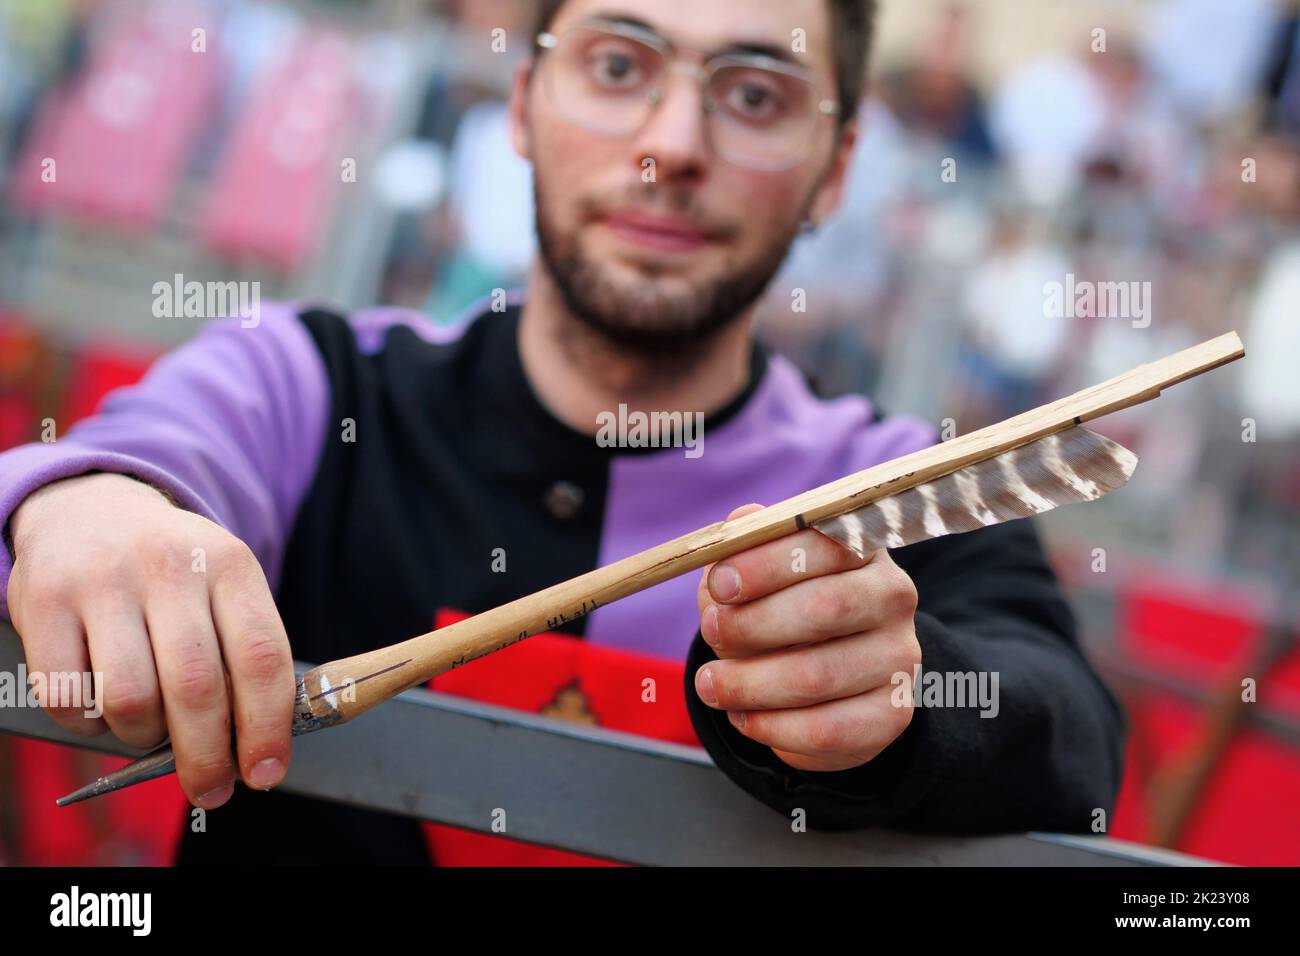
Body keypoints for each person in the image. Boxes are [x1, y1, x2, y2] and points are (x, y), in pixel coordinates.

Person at [0, 0, 1124, 865]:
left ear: (834, 168)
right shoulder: (308, 379)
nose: (670, 145)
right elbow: (130, 461)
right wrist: (85, 503)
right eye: (620, 66)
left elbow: (1067, 737)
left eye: (755, 94)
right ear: (524, 107)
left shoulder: (885, 480)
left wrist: (903, 700)